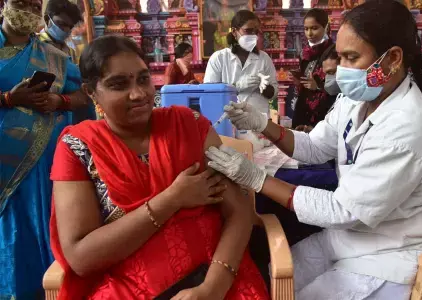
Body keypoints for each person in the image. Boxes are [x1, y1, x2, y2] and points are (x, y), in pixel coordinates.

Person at [206, 1, 422, 299]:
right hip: (359, 238)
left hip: (403, 256)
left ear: (392, 59)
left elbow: (342, 210)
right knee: (274, 278)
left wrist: (257, 179)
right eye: (340, 57)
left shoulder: (409, 125)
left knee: (295, 290)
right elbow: (316, 146)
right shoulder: (356, 101)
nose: (341, 69)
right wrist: (261, 123)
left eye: (352, 58)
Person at [49, 35, 269, 300]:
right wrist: (172, 199)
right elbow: (81, 258)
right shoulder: (77, 148)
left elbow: (240, 211)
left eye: (143, 79)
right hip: (125, 289)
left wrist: (212, 288)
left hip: (216, 276)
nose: (139, 94)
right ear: (91, 92)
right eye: (119, 84)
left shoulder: (189, 125)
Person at [0, 0, 90, 297]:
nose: (26, 9)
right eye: (20, 2)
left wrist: (59, 101)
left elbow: (84, 94)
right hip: (5, 165)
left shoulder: (53, 56)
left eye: (33, 4)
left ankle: (57, 290)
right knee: (14, 232)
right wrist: (9, 99)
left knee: (52, 225)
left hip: (49, 162)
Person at [204, 10, 278, 116]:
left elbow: (273, 93)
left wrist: (264, 86)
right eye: (248, 31)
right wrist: (236, 86)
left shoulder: (264, 58)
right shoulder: (219, 58)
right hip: (228, 120)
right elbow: (209, 93)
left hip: (258, 121)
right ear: (234, 32)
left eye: (256, 32)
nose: (253, 35)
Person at [290, 8, 336, 133]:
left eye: (314, 28)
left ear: (326, 27)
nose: (309, 33)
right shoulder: (305, 53)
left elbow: (340, 85)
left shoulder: (335, 51)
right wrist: (300, 82)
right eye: (306, 29)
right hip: (304, 107)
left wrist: (318, 86)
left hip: (326, 109)